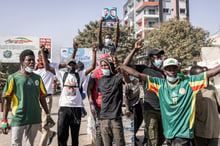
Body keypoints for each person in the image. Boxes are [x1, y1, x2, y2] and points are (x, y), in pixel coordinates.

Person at [118, 57, 220, 146]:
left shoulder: (189, 82)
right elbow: (139, 75)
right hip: (168, 133)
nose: (172, 70)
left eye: (174, 68)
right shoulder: (159, 84)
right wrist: (120, 65)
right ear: (164, 71)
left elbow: (211, 73)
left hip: (183, 133)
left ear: (178, 69)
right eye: (168, 68)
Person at [1, 49, 55, 146]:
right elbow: (7, 100)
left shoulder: (37, 78)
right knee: (15, 144)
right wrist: (4, 120)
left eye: (33, 60)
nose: (32, 62)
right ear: (22, 62)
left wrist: (47, 115)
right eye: (29, 60)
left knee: (30, 144)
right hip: (18, 118)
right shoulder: (13, 78)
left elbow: (42, 97)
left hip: (34, 118)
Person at [35, 42, 77, 146]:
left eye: (45, 54)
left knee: (44, 125)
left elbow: (67, 63)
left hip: (46, 98)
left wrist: (74, 51)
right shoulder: (34, 68)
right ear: (38, 56)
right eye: (41, 54)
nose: (43, 56)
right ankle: (51, 134)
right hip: (35, 98)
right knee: (35, 124)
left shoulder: (52, 66)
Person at [124, 42, 165, 146]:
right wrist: (134, 50)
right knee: (152, 138)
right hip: (150, 108)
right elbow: (125, 65)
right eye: (157, 57)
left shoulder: (163, 72)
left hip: (163, 109)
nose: (159, 59)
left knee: (162, 138)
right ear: (151, 58)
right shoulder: (144, 69)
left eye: (160, 57)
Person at [56, 43, 97, 146]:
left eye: (73, 64)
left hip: (76, 108)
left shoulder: (80, 74)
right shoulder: (62, 74)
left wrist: (94, 52)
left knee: (75, 135)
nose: (71, 66)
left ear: (75, 66)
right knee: (62, 134)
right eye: (69, 64)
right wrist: (43, 52)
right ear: (66, 66)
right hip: (64, 108)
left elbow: (92, 66)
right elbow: (47, 67)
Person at [97, 56, 127, 146]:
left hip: (115, 118)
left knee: (120, 143)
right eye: (102, 66)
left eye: (106, 65)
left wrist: (119, 67)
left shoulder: (117, 78)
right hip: (103, 118)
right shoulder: (100, 81)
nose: (104, 68)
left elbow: (127, 80)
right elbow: (102, 97)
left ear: (110, 66)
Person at [190, 65, 220, 146]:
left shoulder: (211, 88)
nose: (205, 78)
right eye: (201, 76)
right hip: (200, 132)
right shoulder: (190, 90)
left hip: (215, 131)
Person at [87, 53, 111, 146]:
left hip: (110, 106)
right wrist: (91, 104)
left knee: (109, 128)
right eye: (103, 64)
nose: (105, 66)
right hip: (99, 106)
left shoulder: (113, 72)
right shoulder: (94, 74)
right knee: (99, 128)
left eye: (107, 63)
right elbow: (89, 89)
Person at [124, 75, 143, 146]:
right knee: (133, 123)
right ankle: (133, 139)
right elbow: (126, 97)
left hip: (138, 104)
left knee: (140, 120)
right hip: (131, 106)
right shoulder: (127, 84)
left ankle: (134, 134)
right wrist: (127, 108)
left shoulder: (137, 81)